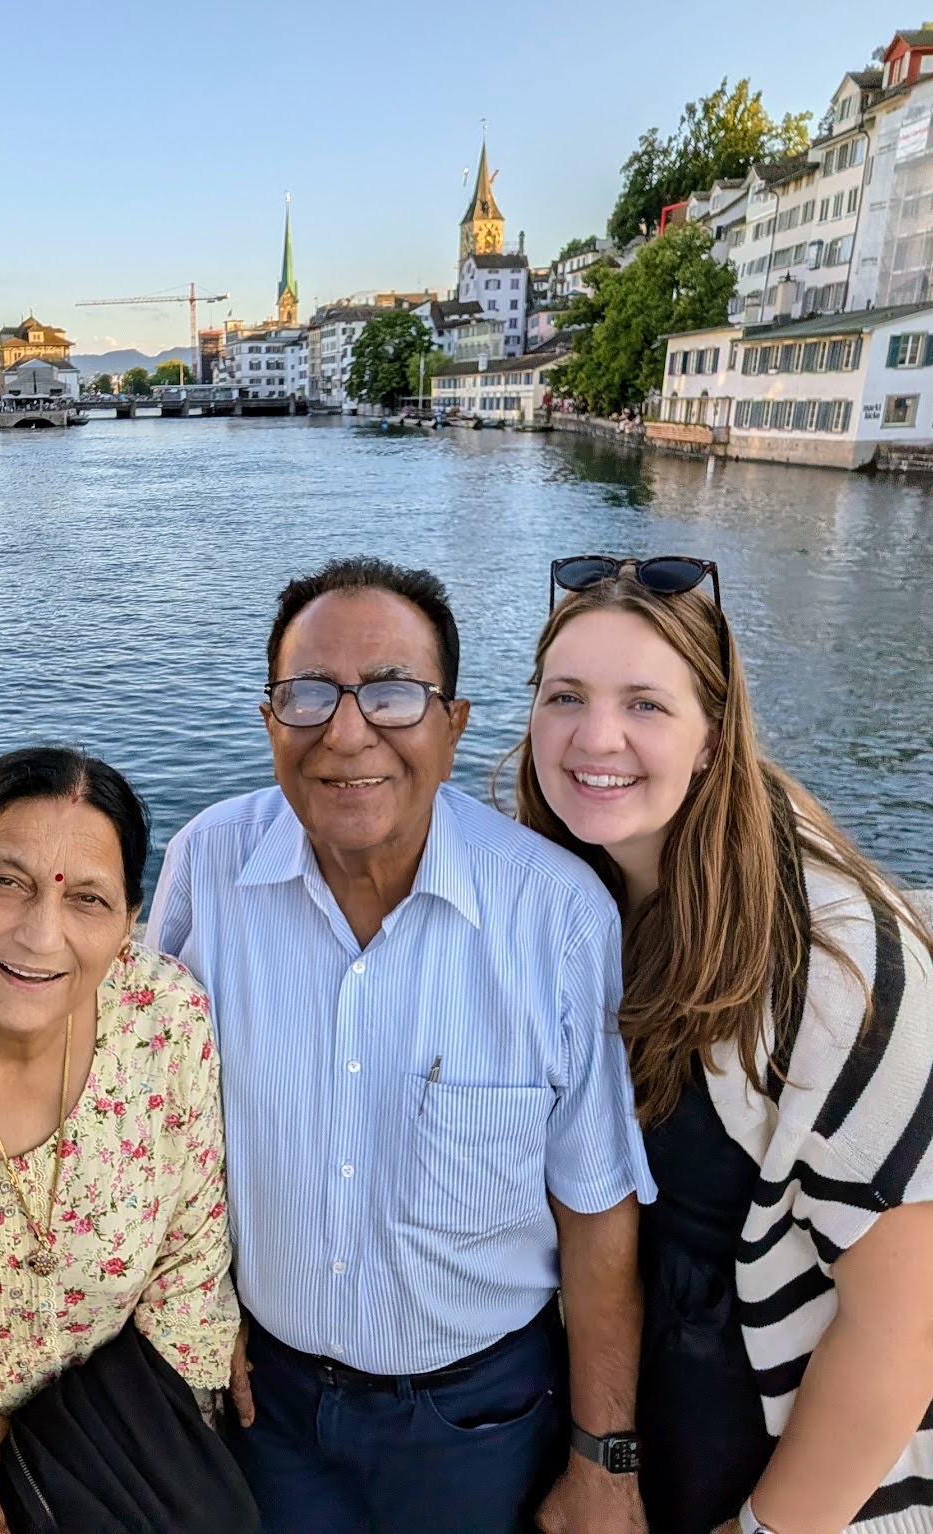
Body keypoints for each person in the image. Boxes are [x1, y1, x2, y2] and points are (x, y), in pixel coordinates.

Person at [147, 555, 657, 1534]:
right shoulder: (206, 864)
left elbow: (596, 1208)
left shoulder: (554, 915)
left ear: (453, 725)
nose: (346, 733)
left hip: (478, 1420)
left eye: (392, 693)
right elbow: (146, 1118)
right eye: (307, 695)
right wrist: (192, 1307)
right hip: (263, 1404)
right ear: (269, 720)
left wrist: (605, 1461)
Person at [516, 555, 933, 1534]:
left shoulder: (833, 967)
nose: (595, 737)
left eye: (645, 705)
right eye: (564, 696)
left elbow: (902, 1325)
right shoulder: (566, 899)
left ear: (713, 735)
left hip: (785, 1487)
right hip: (630, 1442)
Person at [0, 747, 239, 1533]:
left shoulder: (162, 1020)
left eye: (88, 899)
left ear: (131, 921)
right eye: (6, 882)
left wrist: (81, 1483)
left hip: (108, 1476)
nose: (41, 935)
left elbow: (191, 1268)